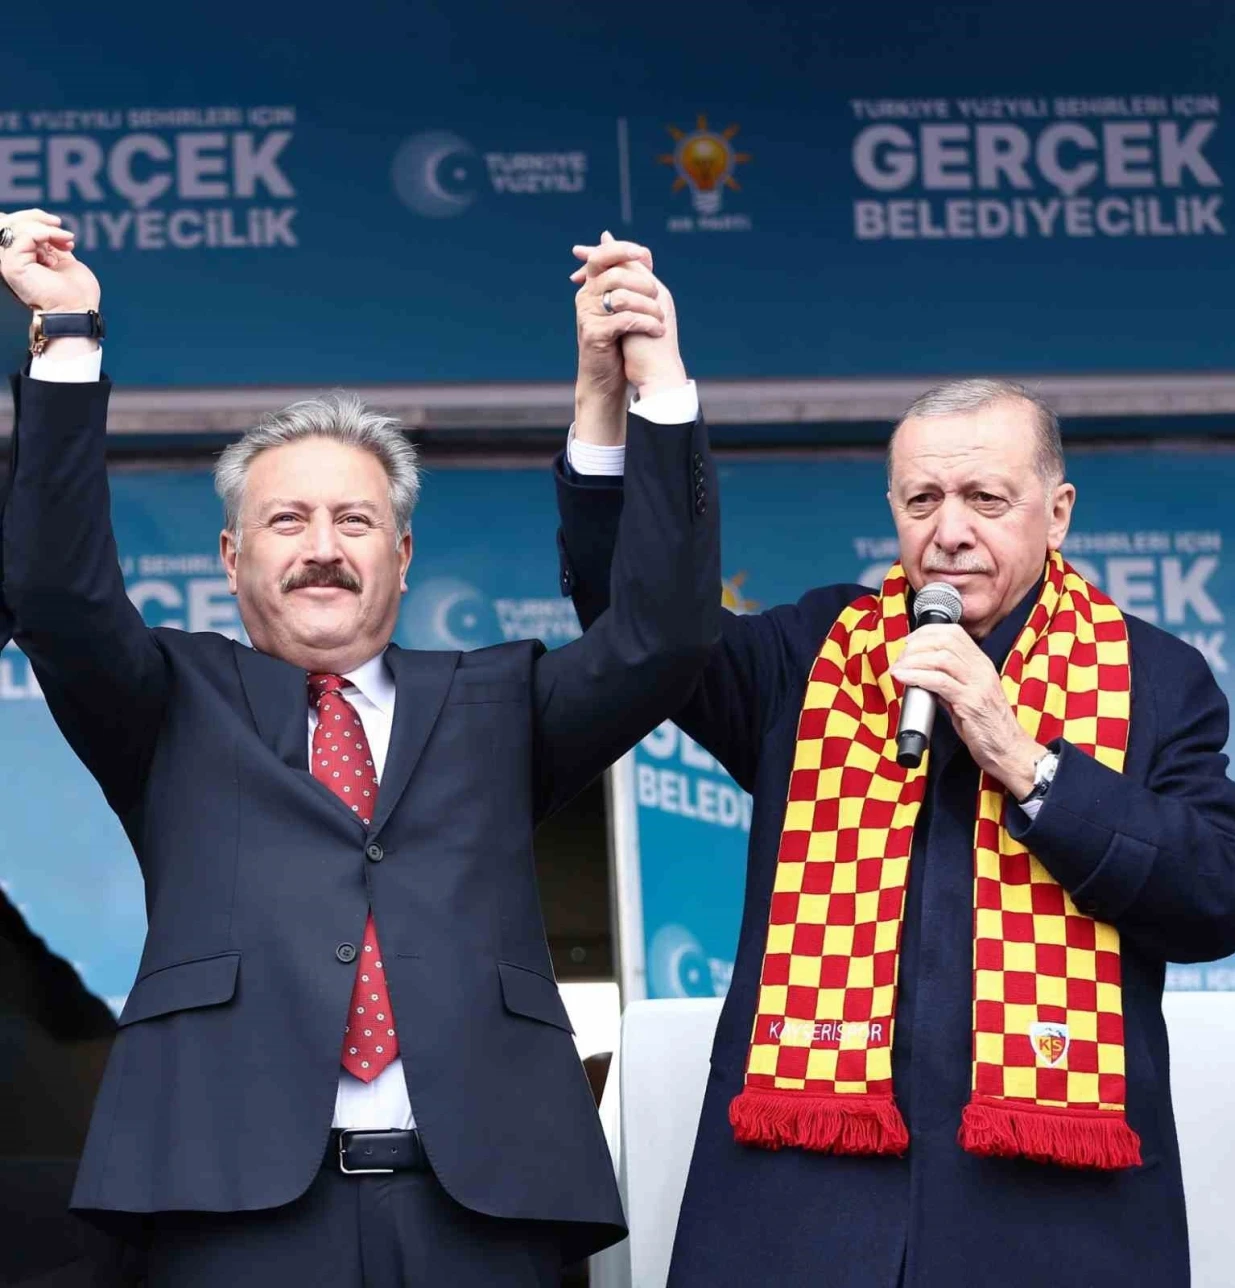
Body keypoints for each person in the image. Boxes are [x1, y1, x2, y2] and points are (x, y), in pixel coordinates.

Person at [0, 209, 719, 1286]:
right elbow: (57, 593)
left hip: (480, 1217)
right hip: (230, 1212)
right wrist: (66, 337)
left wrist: (639, 392)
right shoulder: (167, 701)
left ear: (404, 553)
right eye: (287, 522)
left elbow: (664, 635)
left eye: (355, 521)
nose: (323, 548)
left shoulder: (496, 700)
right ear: (231, 559)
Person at [556, 248, 1235, 1288]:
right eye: (922, 498)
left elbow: (1221, 896)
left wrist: (1026, 761)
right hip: (801, 1219)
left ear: (1058, 512)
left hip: (1048, 1228)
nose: (949, 532)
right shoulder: (812, 653)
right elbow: (642, 625)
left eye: (986, 498)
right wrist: (625, 398)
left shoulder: (1152, 676)